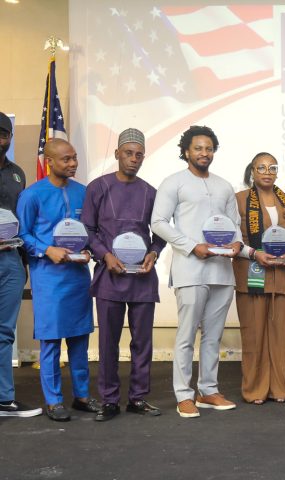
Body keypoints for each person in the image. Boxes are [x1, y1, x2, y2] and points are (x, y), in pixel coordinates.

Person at [151, 125, 241, 418]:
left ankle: (208, 390)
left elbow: (234, 223)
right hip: (190, 268)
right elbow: (159, 222)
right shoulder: (173, 182)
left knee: (214, 336)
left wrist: (238, 242)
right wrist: (192, 246)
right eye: (198, 148)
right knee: (187, 335)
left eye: (209, 148)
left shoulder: (224, 185)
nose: (204, 153)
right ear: (186, 151)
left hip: (221, 271)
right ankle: (183, 394)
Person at [81, 128, 166, 421]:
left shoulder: (151, 192)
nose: (133, 159)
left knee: (143, 342)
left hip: (142, 277)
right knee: (108, 342)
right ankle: (109, 400)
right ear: (117, 153)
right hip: (110, 276)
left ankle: (138, 398)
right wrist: (105, 255)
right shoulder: (98, 187)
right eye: (128, 153)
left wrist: (154, 252)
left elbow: (160, 233)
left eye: (138, 154)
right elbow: (88, 230)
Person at [16, 139, 100, 421]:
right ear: (49, 161)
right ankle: (53, 401)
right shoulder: (32, 195)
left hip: (77, 276)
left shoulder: (83, 192)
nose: (72, 163)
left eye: (74, 158)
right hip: (48, 277)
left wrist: (89, 250)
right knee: (51, 340)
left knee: (79, 337)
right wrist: (45, 249)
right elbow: (23, 234)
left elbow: (90, 230)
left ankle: (82, 396)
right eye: (66, 159)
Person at [233, 152, 285, 404]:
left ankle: (279, 388)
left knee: (280, 336)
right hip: (251, 277)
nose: (267, 171)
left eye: (272, 167)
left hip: (282, 278)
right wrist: (254, 253)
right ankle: (254, 390)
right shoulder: (238, 200)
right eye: (261, 167)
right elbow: (233, 238)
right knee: (253, 336)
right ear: (252, 171)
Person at [0, 111, 42, 418]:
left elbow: (22, 221)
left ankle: (3, 399)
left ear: (10, 138)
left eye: (3, 133)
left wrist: (23, 262)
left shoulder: (17, 174)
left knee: (4, 333)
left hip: (10, 262)